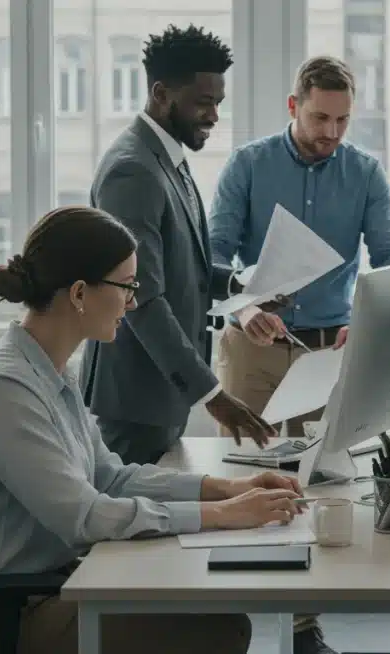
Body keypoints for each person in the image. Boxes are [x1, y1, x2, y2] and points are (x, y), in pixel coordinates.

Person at [0, 206, 307, 654]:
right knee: (219, 628)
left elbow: (110, 476)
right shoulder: (4, 388)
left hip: (47, 588)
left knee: (201, 600)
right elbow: (84, 516)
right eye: (126, 285)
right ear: (79, 294)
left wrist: (226, 489)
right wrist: (225, 517)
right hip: (1, 619)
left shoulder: (47, 369)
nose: (132, 301)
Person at [81, 24, 274, 466]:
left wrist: (246, 287)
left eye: (218, 103)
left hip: (160, 396)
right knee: (126, 527)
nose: (213, 116)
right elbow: (142, 298)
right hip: (134, 400)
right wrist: (212, 393)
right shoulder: (133, 171)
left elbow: (186, 267)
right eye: (203, 103)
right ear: (161, 93)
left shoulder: (168, 159)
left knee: (155, 524)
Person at [208, 54, 390, 440]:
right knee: (242, 475)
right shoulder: (247, 165)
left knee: (323, 482)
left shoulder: (365, 173)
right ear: (292, 105)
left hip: (327, 353)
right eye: (320, 118)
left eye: (343, 120)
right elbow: (214, 253)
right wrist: (247, 308)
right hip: (251, 349)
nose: (332, 132)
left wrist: (366, 320)